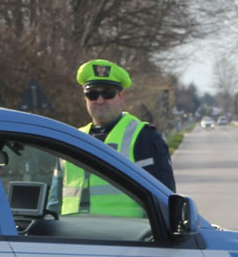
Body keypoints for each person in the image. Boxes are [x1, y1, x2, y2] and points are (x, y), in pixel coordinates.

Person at [74, 59, 175, 192]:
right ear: (85, 98)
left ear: (121, 96)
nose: (99, 100)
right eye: (92, 94)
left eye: (107, 94)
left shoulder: (144, 137)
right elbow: (55, 199)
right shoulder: (73, 138)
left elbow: (163, 196)